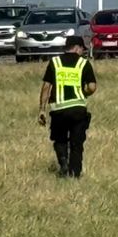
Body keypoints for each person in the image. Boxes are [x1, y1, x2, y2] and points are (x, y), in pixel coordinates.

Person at [38, 34, 97, 177]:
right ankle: (75, 173)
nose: (83, 52)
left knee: (60, 139)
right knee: (77, 143)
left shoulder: (55, 62)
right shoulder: (84, 63)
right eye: (82, 49)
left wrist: (42, 109)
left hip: (59, 110)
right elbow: (92, 87)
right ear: (77, 48)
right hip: (78, 109)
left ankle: (63, 163)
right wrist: (84, 92)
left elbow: (46, 86)